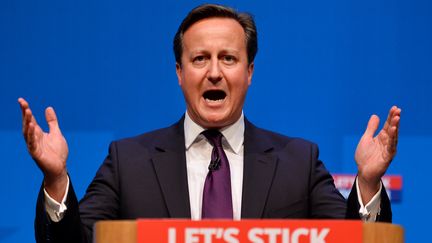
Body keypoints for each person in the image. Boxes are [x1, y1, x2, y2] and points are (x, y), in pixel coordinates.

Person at [18, 4, 401, 243]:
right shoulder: (128, 161)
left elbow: (353, 242)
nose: (214, 72)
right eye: (200, 59)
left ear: (249, 72)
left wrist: (367, 184)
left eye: (229, 59)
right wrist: (56, 180)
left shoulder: (298, 161)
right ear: (179, 73)